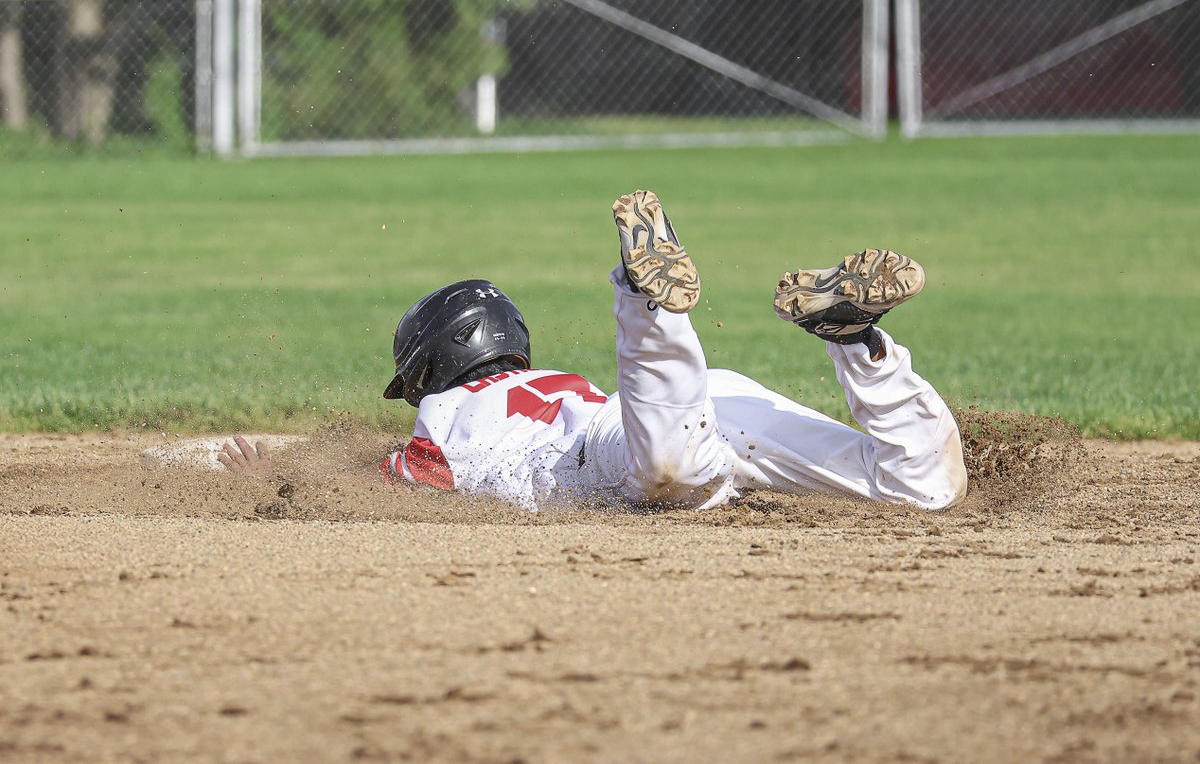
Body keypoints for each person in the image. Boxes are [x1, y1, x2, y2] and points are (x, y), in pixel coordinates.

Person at [222, 190, 967, 512]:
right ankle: (860, 343)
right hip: (711, 403)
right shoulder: (541, 380)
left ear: (431, 364)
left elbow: (383, 480)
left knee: (670, 467)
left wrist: (282, 479)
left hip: (621, 449)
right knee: (924, 489)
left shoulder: (446, 414)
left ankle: (642, 297)